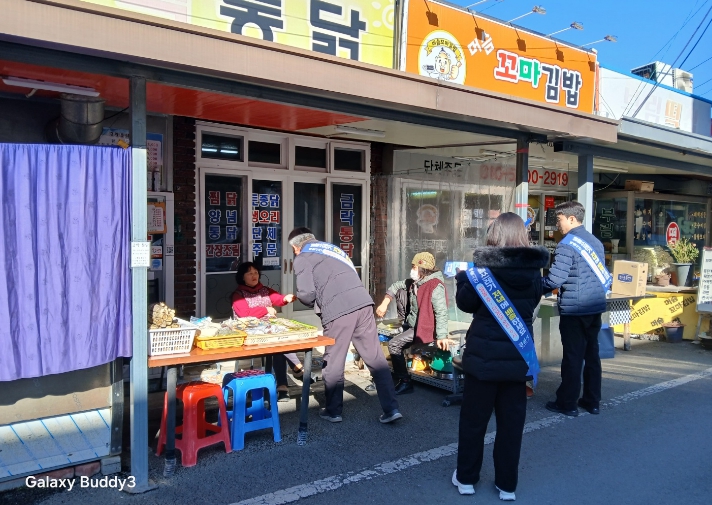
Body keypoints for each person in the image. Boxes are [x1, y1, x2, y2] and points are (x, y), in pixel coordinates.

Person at [453, 213, 549, 500]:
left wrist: (462, 279)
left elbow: (465, 304)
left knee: (474, 423)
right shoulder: (534, 271)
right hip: (517, 360)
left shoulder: (483, 272)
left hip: (483, 360)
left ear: (494, 235)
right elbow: (532, 302)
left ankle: (466, 479)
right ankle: (507, 485)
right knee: (511, 426)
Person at [288, 227, 402, 424]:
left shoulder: (303, 257)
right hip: (363, 304)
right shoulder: (334, 249)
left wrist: (312, 301)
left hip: (338, 311)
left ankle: (333, 411)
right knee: (375, 358)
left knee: (333, 360)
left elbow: (306, 294)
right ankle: (392, 408)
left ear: (295, 247)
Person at [542, 201, 609, 417]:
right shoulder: (595, 241)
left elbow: (555, 279)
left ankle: (567, 403)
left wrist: (535, 287)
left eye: (559, 219)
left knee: (572, 356)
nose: (557, 224)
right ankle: (592, 401)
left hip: (574, 309)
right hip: (594, 307)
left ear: (572, 219)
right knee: (592, 355)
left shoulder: (566, 245)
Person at [232, 261, 308, 402]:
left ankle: (283, 386)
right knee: (278, 343)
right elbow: (244, 313)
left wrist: (285, 299)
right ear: (242, 277)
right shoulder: (238, 294)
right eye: (250, 273)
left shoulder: (264, 290)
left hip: (270, 331)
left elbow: (276, 298)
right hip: (250, 333)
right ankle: (295, 370)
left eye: (256, 272)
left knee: (278, 343)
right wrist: (265, 309)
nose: (254, 276)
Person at [375, 252, 449, 395]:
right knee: (401, 290)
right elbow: (396, 286)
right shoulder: (416, 282)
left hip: (424, 327)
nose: (412, 270)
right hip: (412, 323)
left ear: (423, 268)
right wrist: (384, 303)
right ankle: (404, 326)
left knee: (394, 344)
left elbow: (441, 312)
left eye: (414, 267)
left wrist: (442, 335)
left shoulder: (434, 285)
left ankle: (405, 382)